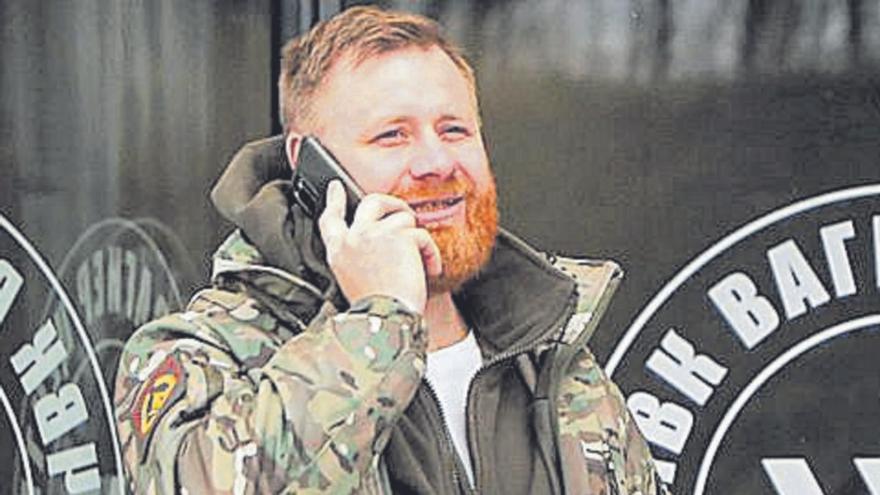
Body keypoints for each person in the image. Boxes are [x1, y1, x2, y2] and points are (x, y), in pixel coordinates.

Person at [114, 6, 666, 494]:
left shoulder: (551, 359)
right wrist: (381, 323)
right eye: (392, 136)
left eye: (454, 130)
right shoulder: (200, 352)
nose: (437, 163)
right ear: (310, 165)